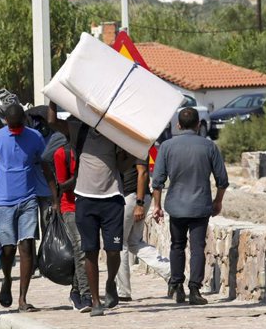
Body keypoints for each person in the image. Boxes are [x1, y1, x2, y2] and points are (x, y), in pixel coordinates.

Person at [48, 102, 134, 317]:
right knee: (90, 251)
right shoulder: (79, 130)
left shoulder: (116, 134)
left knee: (113, 251)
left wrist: (131, 153)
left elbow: (123, 167)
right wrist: (52, 97)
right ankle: (95, 301)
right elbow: (52, 121)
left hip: (112, 197)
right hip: (85, 200)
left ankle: (111, 282)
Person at [0, 103, 59, 313]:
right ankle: (8, 279)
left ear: (24, 121)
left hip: (28, 199)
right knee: (8, 249)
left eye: (18, 125)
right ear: (6, 122)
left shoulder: (34, 137)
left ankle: (23, 298)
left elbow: (46, 168)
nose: (16, 130)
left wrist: (54, 198)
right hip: (4, 203)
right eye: (12, 126)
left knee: (27, 245)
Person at [152, 107, 229, 305]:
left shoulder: (167, 147)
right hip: (200, 206)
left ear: (178, 125)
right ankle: (194, 289)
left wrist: (157, 206)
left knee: (177, 245)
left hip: (176, 207)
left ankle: (176, 285)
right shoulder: (209, 147)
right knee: (197, 248)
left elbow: (158, 181)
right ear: (198, 125)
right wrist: (217, 201)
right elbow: (222, 180)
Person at [115, 158, 171, 301]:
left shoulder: (133, 145)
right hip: (139, 196)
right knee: (134, 242)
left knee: (119, 243)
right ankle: (169, 270)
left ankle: (123, 292)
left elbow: (143, 173)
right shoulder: (133, 144)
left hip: (132, 197)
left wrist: (139, 204)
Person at [52, 137, 92, 312]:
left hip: (90, 206)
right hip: (70, 207)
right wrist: (79, 176)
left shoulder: (91, 152)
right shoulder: (62, 153)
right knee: (80, 249)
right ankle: (86, 295)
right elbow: (63, 185)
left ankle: (76, 291)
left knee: (87, 250)